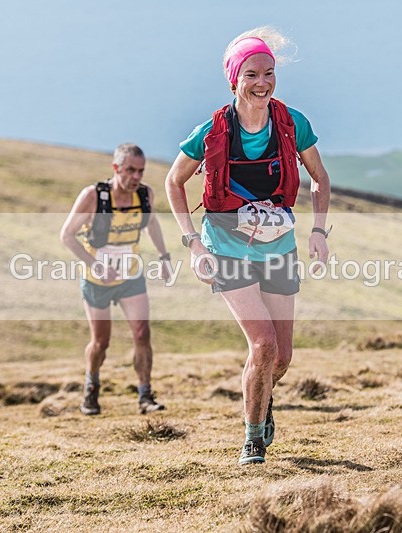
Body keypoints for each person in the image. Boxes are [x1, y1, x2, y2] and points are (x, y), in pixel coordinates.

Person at [164, 27, 331, 465]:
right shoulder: (211, 130)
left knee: (283, 355)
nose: (263, 82)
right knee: (263, 345)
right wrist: (193, 243)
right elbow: (174, 181)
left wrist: (319, 230)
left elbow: (320, 178)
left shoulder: (294, 123)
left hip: (278, 245)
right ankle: (253, 439)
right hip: (226, 247)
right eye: (252, 74)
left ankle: (263, 398)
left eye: (269, 73)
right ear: (234, 80)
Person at [60, 143, 172, 416]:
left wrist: (164, 256)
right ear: (116, 168)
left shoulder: (145, 195)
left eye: (140, 171)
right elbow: (67, 235)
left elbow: (152, 223)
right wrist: (95, 265)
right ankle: (91, 388)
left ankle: (145, 395)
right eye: (130, 170)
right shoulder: (93, 196)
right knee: (101, 342)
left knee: (142, 333)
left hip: (130, 276)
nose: (136, 177)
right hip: (96, 280)